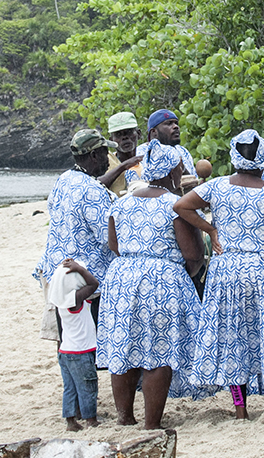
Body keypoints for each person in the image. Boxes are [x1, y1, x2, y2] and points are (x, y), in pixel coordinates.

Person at [175, 130, 264, 418]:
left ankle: (240, 408)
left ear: (234, 157)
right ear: (263, 158)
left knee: (234, 337)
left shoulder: (217, 187)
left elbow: (181, 205)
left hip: (228, 270)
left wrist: (210, 229)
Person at [98, 139, 208, 429]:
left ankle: (125, 416)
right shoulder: (175, 206)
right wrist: (187, 271)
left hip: (122, 278)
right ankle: (151, 423)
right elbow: (193, 254)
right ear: (172, 171)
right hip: (161, 280)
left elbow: (114, 245)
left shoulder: (121, 204)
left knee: (126, 345)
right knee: (158, 350)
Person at [33, 129, 117, 299]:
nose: (108, 158)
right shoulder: (92, 190)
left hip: (56, 271)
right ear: (94, 155)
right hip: (85, 279)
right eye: (104, 152)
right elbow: (109, 237)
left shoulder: (64, 179)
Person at [51, 258, 101, 431]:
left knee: (70, 388)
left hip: (65, 350)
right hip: (80, 351)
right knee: (88, 386)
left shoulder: (61, 300)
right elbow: (94, 284)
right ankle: (90, 419)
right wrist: (80, 269)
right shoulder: (74, 299)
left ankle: (71, 420)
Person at [138, 109, 196, 176]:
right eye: (169, 123)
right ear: (154, 132)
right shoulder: (140, 154)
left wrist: (182, 169)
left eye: (176, 123)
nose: (176, 127)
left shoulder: (183, 152)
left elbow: (193, 180)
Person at [105, 111, 144, 196]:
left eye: (129, 132)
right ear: (111, 140)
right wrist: (123, 167)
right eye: (118, 134)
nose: (124, 137)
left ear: (138, 134)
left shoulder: (150, 160)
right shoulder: (107, 164)